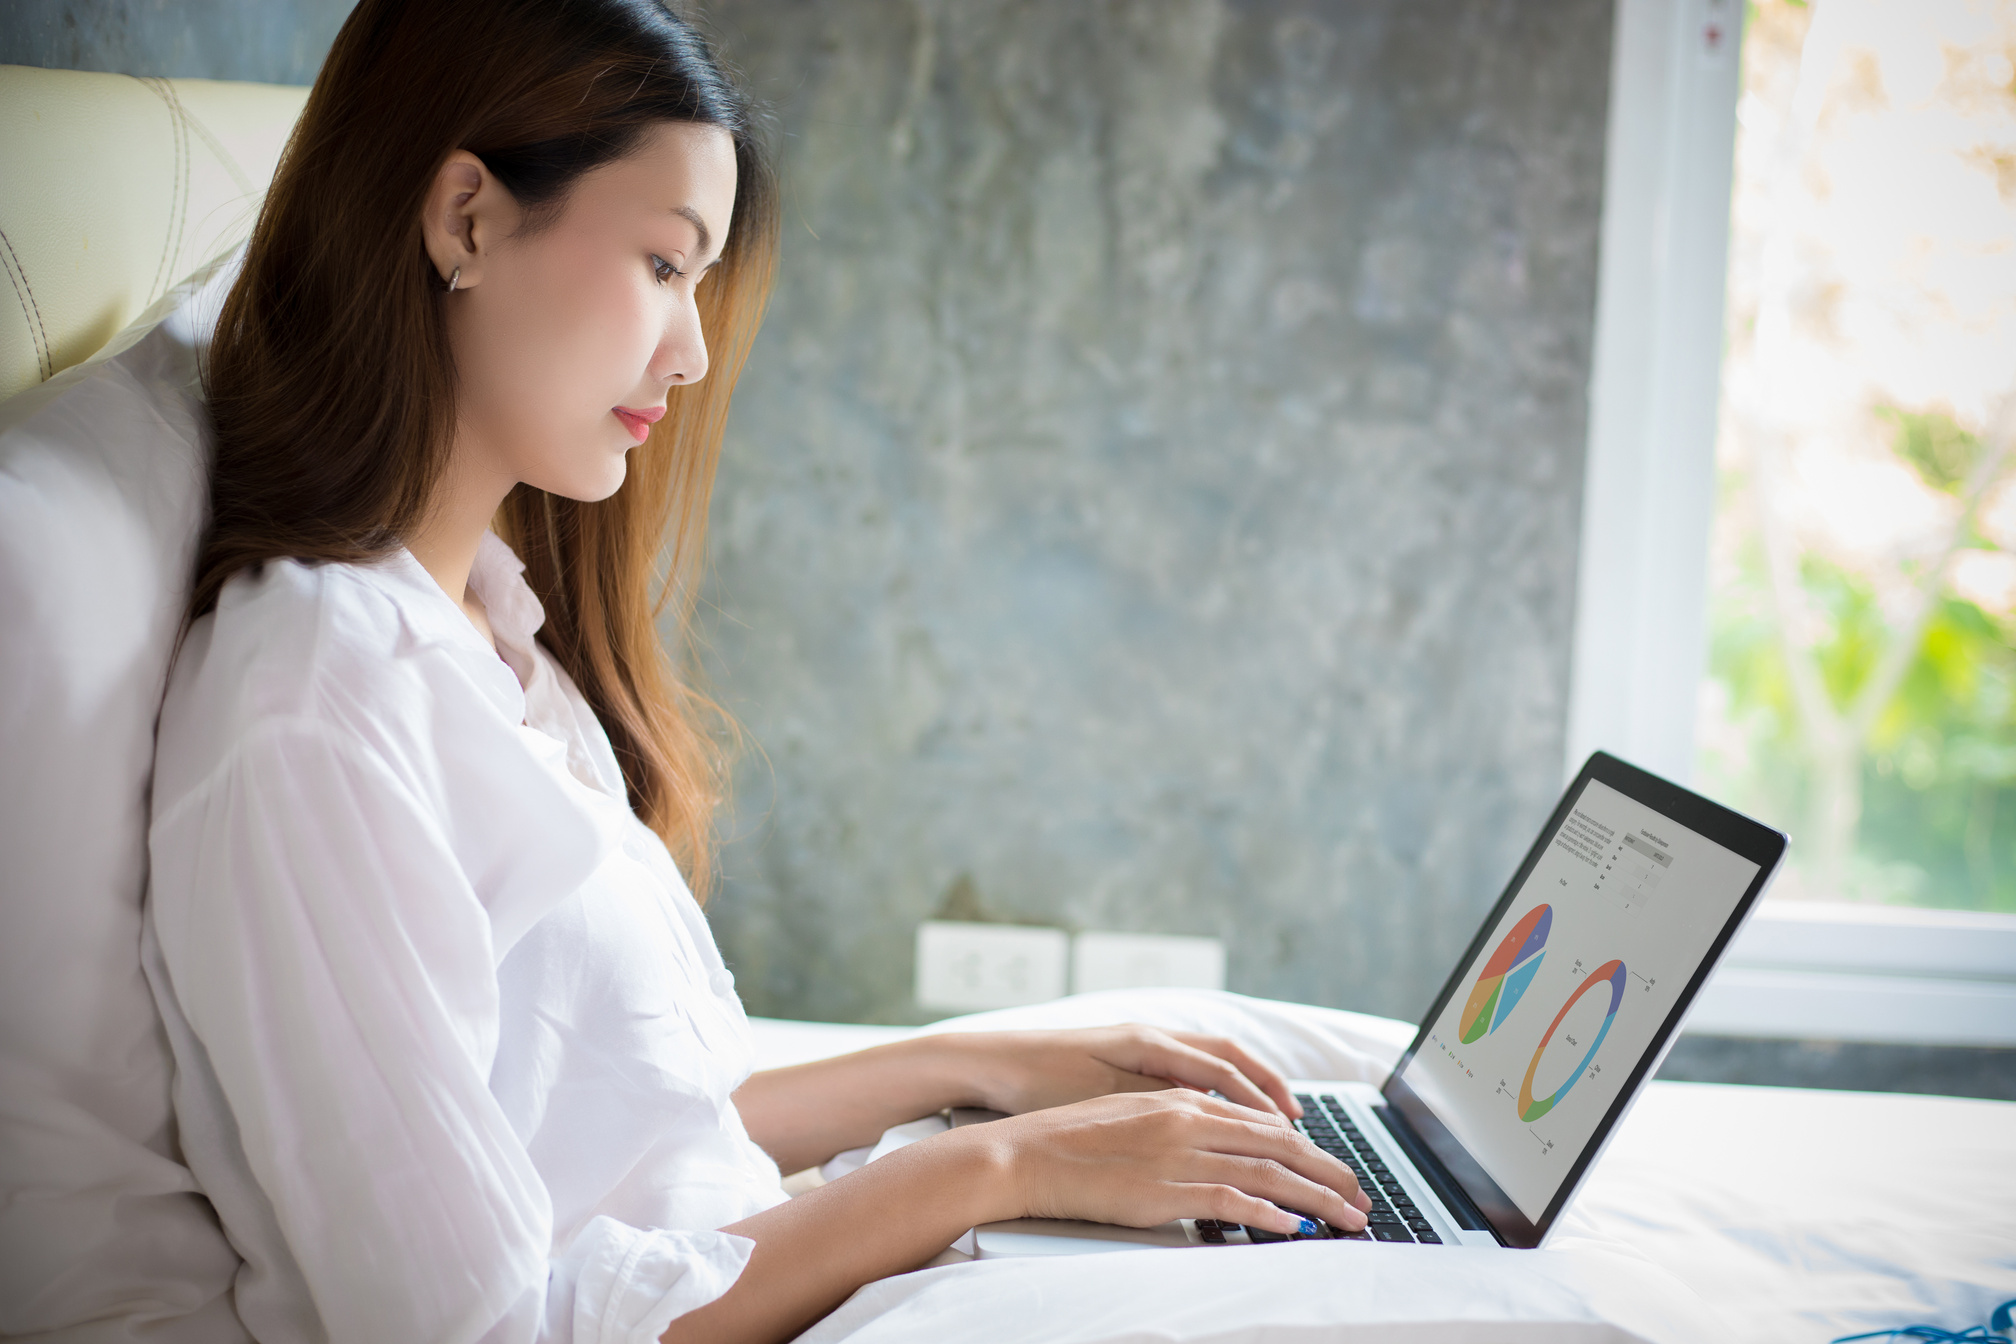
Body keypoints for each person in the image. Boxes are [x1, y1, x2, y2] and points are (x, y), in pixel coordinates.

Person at [145, 1, 1371, 1341]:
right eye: (668, 267)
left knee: (1308, 1131)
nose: (694, 352)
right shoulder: (315, 711)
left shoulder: (480, 621)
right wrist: (1005, 1161)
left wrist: (990, 1068)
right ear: (467, 220)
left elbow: (633, 1120)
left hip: (787, 1257)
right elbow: (485, 1330)